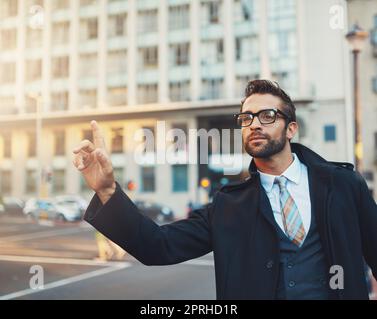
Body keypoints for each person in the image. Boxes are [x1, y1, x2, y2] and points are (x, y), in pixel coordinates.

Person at [73, 79, 377, 300]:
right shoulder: (228, 205)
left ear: (291, 128)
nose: (255, 124)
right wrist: (108, 191)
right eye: (247, 118)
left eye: (267, 116)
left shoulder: (342, 185)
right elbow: (158, 246)